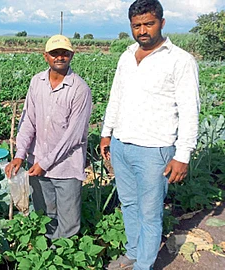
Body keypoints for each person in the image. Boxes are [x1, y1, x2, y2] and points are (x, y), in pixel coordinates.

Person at [99, 0, 200, 269]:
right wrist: (106, 133)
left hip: (155, 150)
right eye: (137, 25)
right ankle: (134, 252)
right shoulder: (127, 56)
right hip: (121, 145)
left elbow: (190, 111)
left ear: (162, 23)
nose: (142, 30)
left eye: (148, 24)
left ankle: (144, 265)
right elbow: (115, 98)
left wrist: (183, 155)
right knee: (129, 204)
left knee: (150, 212)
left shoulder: (180, 60)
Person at [5, 35, 92, 239]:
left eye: (64, 53)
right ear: (46, 56)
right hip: (38, 164)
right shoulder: (37, 82)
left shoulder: (80, 89)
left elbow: (73, 136)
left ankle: (64, 257)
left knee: (68, 223)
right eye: (55, 53)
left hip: (66, 167)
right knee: (45, 215)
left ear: (72, 55)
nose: (60, 57)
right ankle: (47, 256)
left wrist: (45, 162)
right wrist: (20, 154)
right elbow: (28, 121)